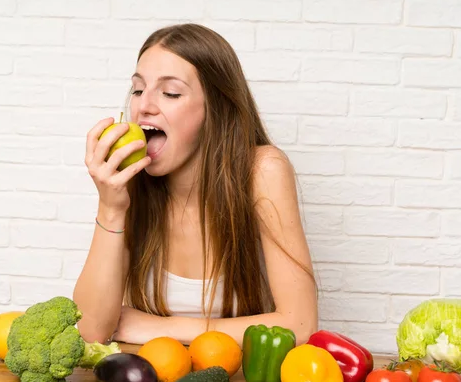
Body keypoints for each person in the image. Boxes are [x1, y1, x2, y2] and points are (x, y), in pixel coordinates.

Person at [73, 23, 318, 347]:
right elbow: (91, 330)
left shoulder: (262, 170)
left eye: (170, 92)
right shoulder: (130, 178)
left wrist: (155, 327)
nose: (143, 105)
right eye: (137, 89)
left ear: (216, 109)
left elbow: (300, 326)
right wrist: (110, 206)